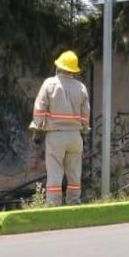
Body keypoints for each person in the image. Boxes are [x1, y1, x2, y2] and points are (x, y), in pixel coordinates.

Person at [30, 50, 90, 205]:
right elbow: (85, 116)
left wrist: (37, 126)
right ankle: (74, 201)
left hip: (56, 136)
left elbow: (39, 109)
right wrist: (84, 129)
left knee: (55, 173)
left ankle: (53, 204)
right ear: (73, 70)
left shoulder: (49, 84)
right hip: (75, 137)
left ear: (59, 67)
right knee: (74, 173)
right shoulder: (81, 87)